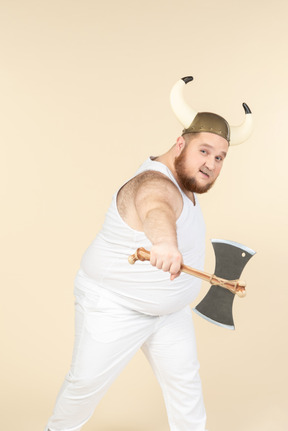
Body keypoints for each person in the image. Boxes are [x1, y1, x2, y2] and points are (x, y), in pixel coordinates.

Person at [44, 76, 253, 431]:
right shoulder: (154, 182)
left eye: (220, 157)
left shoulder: (186, 183)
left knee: (186, 388)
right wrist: (165, 244)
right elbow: (156, 209)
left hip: (169, 312)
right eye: (204, 151)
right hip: (113, 305)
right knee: (84, 385)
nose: (211, 164)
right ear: (179, 144)